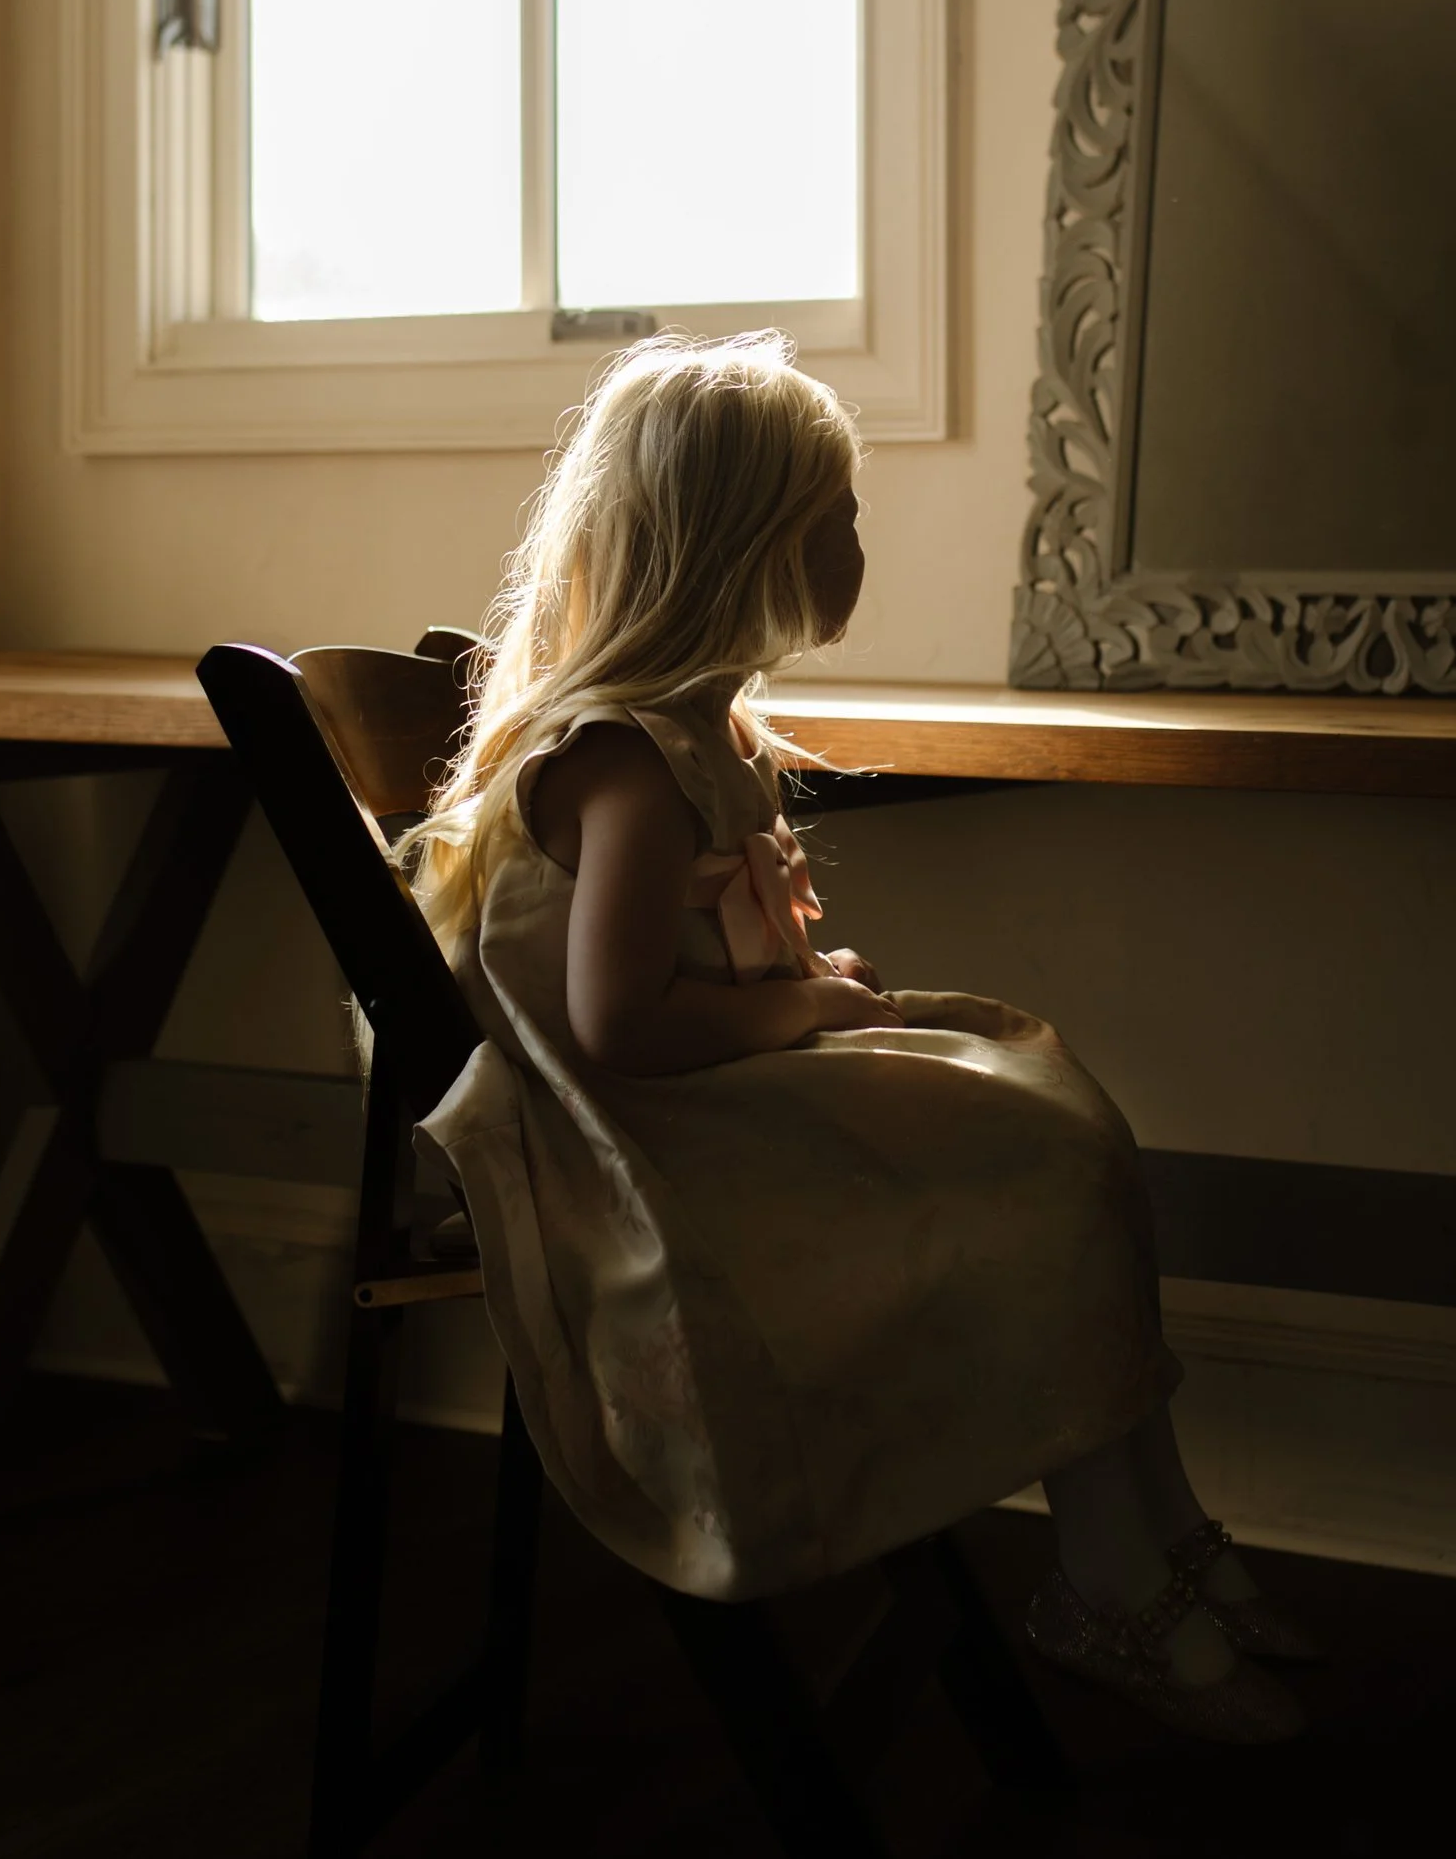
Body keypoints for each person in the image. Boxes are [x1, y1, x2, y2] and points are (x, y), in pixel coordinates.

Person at [412, 331, 1313, 1743]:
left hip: (704, 1094)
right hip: (641, 1153)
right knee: (1048, 1155)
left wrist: (801, 974)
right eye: (835, 522)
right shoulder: (626, 761)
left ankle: (1161, 1535)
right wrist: (810, 1003)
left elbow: (685, 965)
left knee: (1055, 1109)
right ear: (744, 547)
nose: (855, 547)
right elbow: (613, 1026)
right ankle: (1111, 1573)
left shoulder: (700, 732)